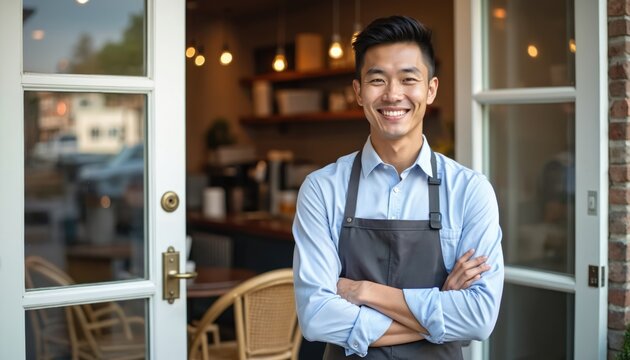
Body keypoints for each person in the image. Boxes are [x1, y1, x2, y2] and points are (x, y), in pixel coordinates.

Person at [292, 15, 504, 359]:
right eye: (377, 80)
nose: (393, 95)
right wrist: (440, 310)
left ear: (430, 89)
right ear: (359, 92)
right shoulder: (321, 189)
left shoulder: (471, 191)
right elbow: (316, 319)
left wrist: (364, 291)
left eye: (408, 79)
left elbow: (478, 319)